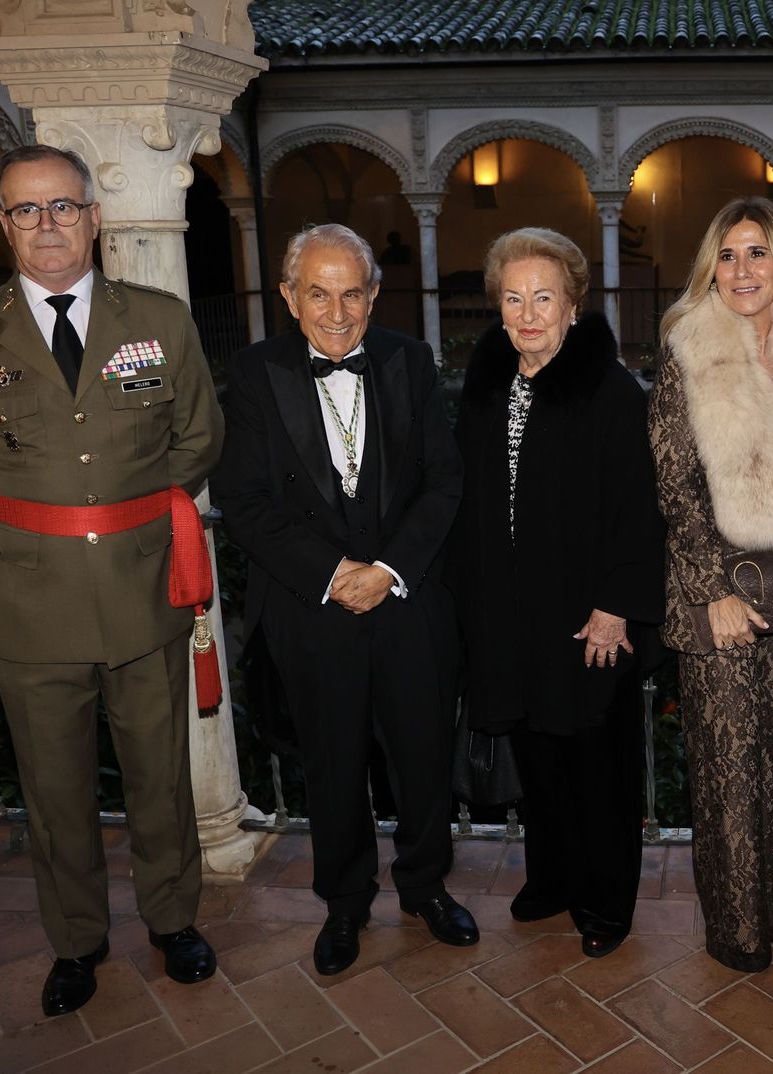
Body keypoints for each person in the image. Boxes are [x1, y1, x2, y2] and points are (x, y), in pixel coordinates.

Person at [0, 144, 222, 1016]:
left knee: (159, 778)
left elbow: (198, 438)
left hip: (141, 590)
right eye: (25, 210)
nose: (46, 224)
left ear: (94, 216)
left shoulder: (160, 319)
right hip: (32, 604)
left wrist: (119, 517)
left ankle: (173, 923)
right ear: (3, 224)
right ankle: (78, 943)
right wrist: (50, 521)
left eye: (62, 207)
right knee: (54, 792)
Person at [211, 223, 474, 976]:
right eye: (318, 293)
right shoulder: (257, 373)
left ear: (373, 295)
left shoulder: (410, 361)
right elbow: (243, 498)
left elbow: (443, 480)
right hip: (312, 607)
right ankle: (346, 903)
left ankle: (426, 888)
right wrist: (333, 573)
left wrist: (387, 567)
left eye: (351, 292)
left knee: (423, 756)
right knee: (332, 764)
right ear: (290, 297)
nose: (336, 310)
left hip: (406, 598)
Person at [448, 228, 664, 959]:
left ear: (573, 305)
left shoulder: (608, 390)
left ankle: (605, 901)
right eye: (513, 297)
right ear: (498, 307)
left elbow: (638, 509)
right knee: (539, 755)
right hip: (510, 615)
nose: (528, 312)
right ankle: (552, 878)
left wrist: (616, 607)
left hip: (586, 616)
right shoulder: (485, 387)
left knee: (596, 762)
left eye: (544, 297)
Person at [649, 197, 773, 971]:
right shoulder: (688, 346)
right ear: (711, 266)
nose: (743, 270)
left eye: (758, 253)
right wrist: (711, 591)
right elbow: (674, 483)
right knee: (729, 765)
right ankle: (736, 928)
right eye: (728, 255)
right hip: (720, 588)